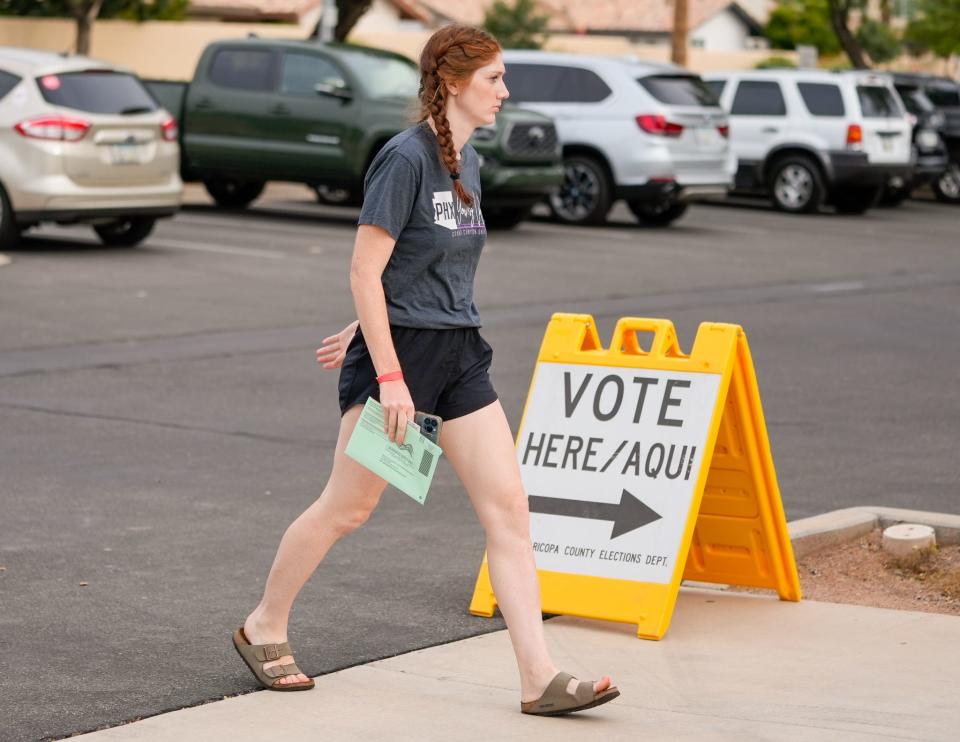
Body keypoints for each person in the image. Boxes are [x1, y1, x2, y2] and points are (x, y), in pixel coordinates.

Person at [232, 24, 619, 716]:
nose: (506, 91)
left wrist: (368, 317)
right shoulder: (404, 158)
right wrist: (385, 370)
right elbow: (363, 266)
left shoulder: (465, 161)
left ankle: (539, 677)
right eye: (495, 78)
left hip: (460, 355)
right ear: (454, 82)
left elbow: (418, 266)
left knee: (509, 510)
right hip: (401, 364)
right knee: (348, 507)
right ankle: (265, 623)